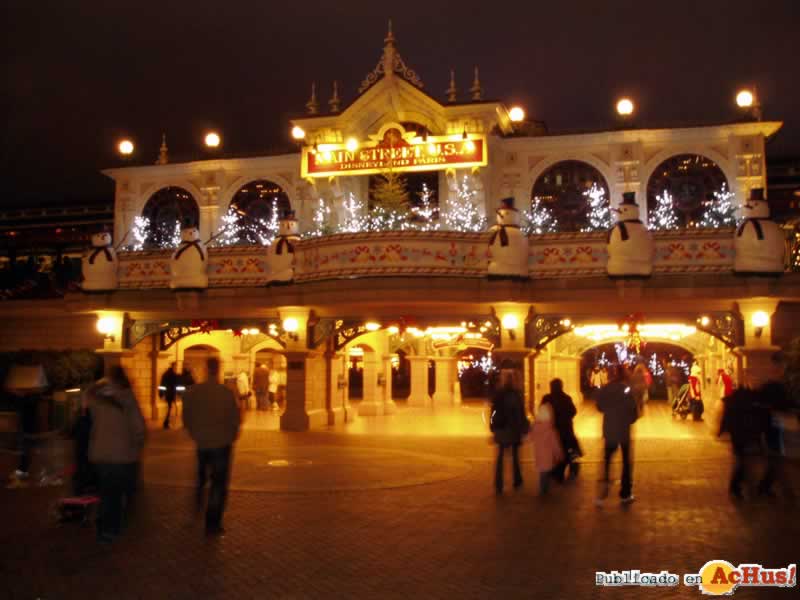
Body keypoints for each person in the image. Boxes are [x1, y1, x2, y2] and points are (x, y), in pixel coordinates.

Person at [183, 357, 241, 536]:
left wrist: (194, 434)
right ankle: (212, 522)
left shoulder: (194, 392)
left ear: (205, 368)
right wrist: (231, 436)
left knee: (202, 477)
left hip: (202, 443)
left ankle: (198, 502)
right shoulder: (225, 393)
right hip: (222, 444)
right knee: (218, 484)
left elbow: (187, 416)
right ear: (219, 369)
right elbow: (235, 419)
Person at [88, 366, 145, 543]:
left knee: (106, 492)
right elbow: (138, 428)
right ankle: (111, 529)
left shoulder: (96, 399)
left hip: (100, 454)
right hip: (122, 456)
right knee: (118, 493)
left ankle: (104, 527)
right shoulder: (127, 397)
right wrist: (137, 446)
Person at [595, 367, 639, 505]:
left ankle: (602, 492)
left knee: (607, 460)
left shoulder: (606, 389)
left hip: (609, 429)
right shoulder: (626, 390)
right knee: (626, 462)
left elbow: (599, 406)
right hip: (623, 430)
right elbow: (633, 410)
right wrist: (628, 419)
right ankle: (625, 493)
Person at [490, 367, 529, 494]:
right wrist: (524, 427)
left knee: (500, 457)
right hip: (513, 428)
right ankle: (517, 479)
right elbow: (521, 413)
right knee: (516, 457)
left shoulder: (498, 394)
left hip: (501, 429)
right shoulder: (517, 394)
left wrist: (492, 427)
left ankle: (499, 484)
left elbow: (493, 412)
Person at [541, 378, 582, 481]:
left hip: (553, 431)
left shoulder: (547, 398)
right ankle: (571, 468)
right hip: (566, 430)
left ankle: (558, 472)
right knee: (570, 450)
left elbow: (542, 413)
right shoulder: (566, 398)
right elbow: (573, 411)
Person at [532, 403, 563, 495]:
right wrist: (559, 453)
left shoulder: (535, 427)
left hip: (539, 454)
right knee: (547, 472)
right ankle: (545, 489)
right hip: (548, 456)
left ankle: (543, 489)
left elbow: (530, 437)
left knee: (542, 472)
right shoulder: (551, 430)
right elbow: (555, 444)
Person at [160, 363, 178, 429]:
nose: (176, 368)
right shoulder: (172, 375)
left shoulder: (166, 374)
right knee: (170, 408)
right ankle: (166, 422)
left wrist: (161, 393)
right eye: (175, 366)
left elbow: (162, 384)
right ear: (173, 366)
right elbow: (176, 385)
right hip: (170, 394)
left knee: (170, 408)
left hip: (168, 393)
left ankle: (166, 422)